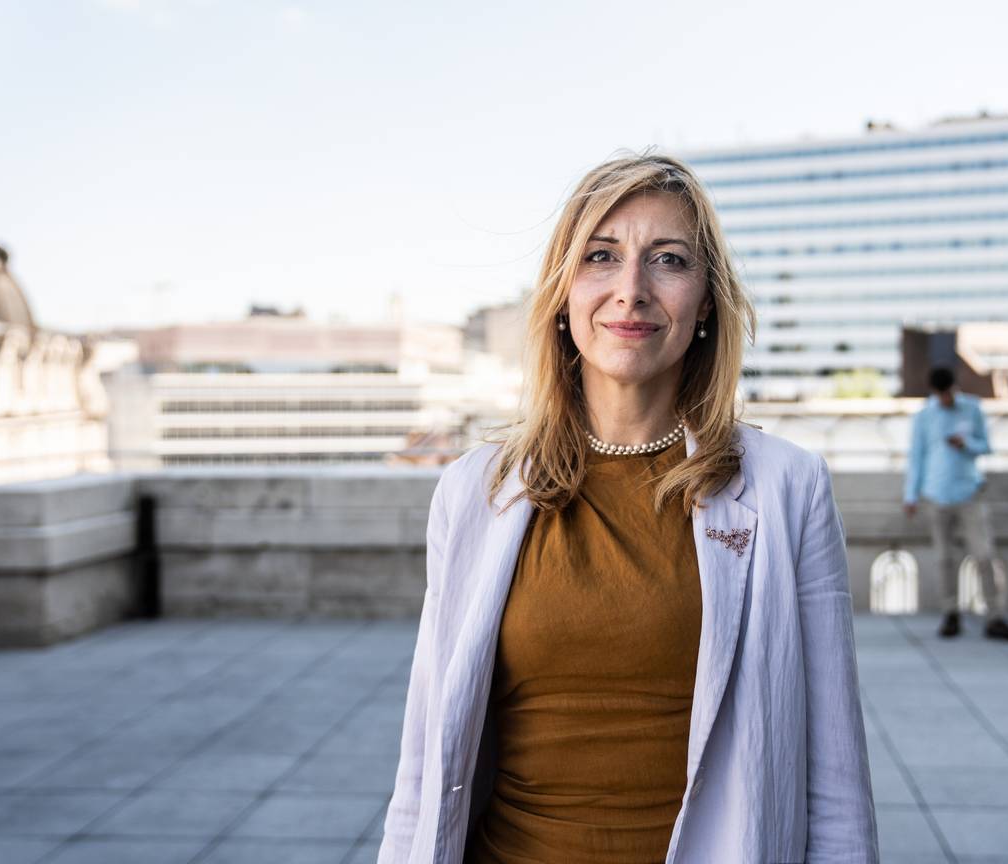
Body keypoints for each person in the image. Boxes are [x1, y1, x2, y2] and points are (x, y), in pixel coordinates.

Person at [377, 154, 879, 864]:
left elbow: (834, 782)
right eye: (600, 257)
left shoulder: (787, 487)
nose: (631, 291)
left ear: (706, 300)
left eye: (668, 260)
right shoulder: (472, 491)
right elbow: (426, 758)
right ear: (561, 293)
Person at [904, 367, 1008, 642]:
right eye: (941, 395)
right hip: (936, 494)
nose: (946, 399)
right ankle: (950, 613)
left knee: (984, 555)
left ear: (954, 388)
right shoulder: (924, 416)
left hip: (969, 492)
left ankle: (995, 616)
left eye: (949, 394)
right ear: (934, 393)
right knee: (944, 559)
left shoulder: (972, 408)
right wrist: (910, 495)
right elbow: (916, 457)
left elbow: (986, 446)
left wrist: (966, 444)